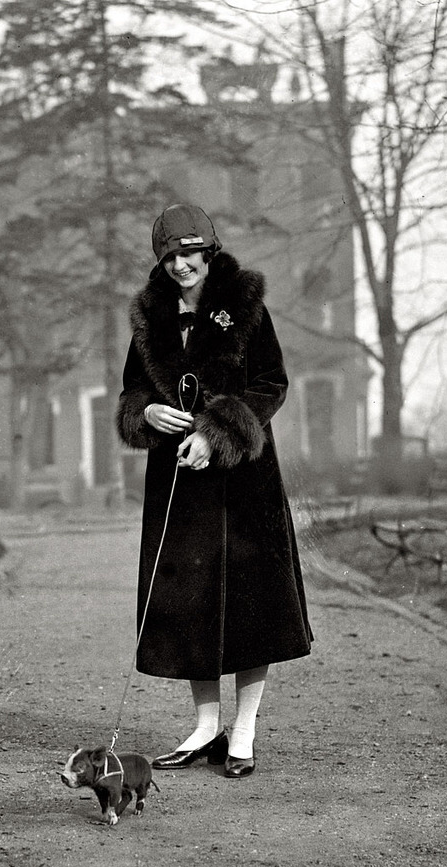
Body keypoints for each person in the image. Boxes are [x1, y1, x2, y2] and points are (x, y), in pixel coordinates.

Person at [116, 203, 312, 779]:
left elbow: (271, 385)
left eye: (190, 252)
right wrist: (146, 410)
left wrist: (216, 432)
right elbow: (131, 393)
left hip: (244, 481)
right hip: (177, 481)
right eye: (170, 255)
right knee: (190, 603)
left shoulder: (246, 307)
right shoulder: (150, 318)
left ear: (210, 251)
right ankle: (205, 728)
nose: (182, 265)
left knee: (252, 604)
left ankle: (243, 731)